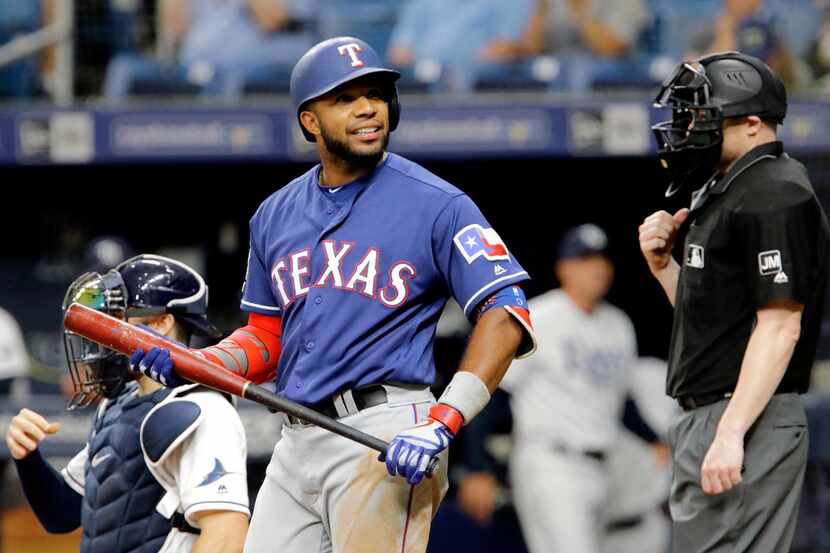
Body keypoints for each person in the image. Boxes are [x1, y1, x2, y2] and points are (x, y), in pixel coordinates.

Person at [132, 36, 536, 553]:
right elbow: (267, 339)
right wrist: (197, 362)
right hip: (297, 436)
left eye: (375, 93)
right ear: (310, 121)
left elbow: (506, 313)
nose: (368, 108)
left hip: (387, 433)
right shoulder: (274, 214)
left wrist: (444, 421)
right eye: (344, 98)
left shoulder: (439, 203)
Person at [642, 51, 830, 553]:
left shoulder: (776, 191)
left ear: (751, 124)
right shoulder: (726, 187)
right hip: (713, 413)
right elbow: (711, 319)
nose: (686, 128)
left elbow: (780, 327)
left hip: (746, 416)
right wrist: (665, 268)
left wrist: (731, 431)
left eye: (701, 116)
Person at [6, 254, 251, 553]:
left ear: (162, 322)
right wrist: (28, 458)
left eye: (117, 318)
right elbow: (62, 514)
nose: (103, 332)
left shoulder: (201, 408)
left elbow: (226, 536)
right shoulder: (117, 406)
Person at [496, 223, 665, 553]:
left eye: (602, 259)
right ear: (564, 269)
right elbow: (497, 391)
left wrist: (653, 440)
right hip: (552, 461)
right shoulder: (539, 317)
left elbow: (621, 400)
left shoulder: (619, 324)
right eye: (585, 259)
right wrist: (479, 468)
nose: (598, 268)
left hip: (604, 465)